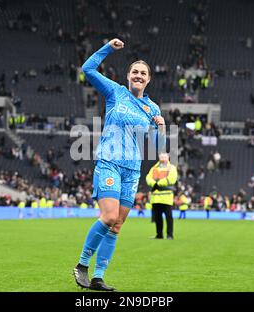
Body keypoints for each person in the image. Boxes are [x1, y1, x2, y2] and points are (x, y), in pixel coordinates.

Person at [73, 38, 166, 291]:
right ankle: (82, 265)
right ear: (128, 76)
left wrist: (161, 127)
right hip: (110, 162)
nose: (138, 75)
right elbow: (88, 70)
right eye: (135, 72)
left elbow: (157, 146)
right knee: (109, 216)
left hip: (132, 170)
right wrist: (107, 49)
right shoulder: (116, 92)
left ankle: (98, 277)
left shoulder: (152, 107)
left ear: (148, 80)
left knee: (117, 225)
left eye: (143, 73)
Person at [146, 152, 178, 239]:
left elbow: (172, 179)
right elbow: (148, 178)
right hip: (155, 198)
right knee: (158, 218)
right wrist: (153, 183)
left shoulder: (171, 168)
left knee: (169, 217)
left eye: (165, 157)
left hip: (166, 198)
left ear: (168, 158)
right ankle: (159, 235)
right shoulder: (154, 168)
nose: (163, 159)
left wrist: (158, 184)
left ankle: (169, 235)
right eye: (162, 157)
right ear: (159, 158)